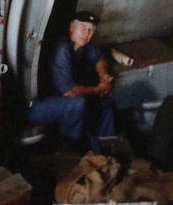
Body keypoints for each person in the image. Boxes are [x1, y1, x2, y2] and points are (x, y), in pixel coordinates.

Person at [27, 10, 116, 153]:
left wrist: (103, 74)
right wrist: (99, 89)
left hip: (59, 99)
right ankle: (67, 150)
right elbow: (69, 91)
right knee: (78, 103)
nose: (87, 33)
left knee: (105, 102)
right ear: (71, 27)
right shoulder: (61, 47)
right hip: (35, 104)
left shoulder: (81, 45)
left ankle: (106, 150)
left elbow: (100, 57)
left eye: (91, 30)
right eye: (83, 28)